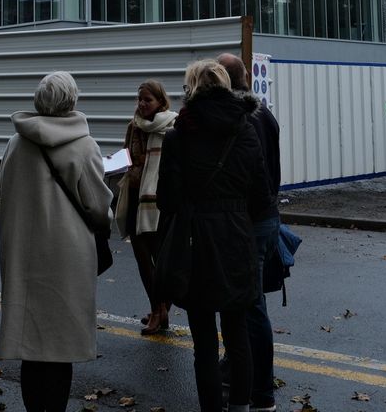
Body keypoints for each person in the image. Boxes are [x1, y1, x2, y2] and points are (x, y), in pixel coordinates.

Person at [157, 60, 271, 412]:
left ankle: (211, 407)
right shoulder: (246, 129)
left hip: (197, 241)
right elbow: (261, 195)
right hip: (237, 236)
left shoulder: (179, 135)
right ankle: (240, 405)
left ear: (191, 89)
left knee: (203, 340)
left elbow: (167, 200)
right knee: (237, 333)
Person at [0, 72, 113, 412]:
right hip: (68, 256)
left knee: (32, 345)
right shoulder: (84, 145)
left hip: (24, 252)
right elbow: (97, 206)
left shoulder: (16, 142)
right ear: (72, 102)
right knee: (60, 347)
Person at [217, 53, 282, 412]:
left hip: (251, 220)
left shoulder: (243, 119)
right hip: (267, 216)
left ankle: (262, 394)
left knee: (252, 305)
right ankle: (237, 366)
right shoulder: (265, 115)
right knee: (249, 301)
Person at [115, 80, 177, 335]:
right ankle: (157, 308)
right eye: (139, 99)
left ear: (160, 102)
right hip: (135, 198)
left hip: (159, 202)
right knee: (143, 259)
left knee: (161, 260)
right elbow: (126, 155)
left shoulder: (171, 127)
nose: (141, 104)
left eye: (147, 100)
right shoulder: (134, 125)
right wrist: (111, 164)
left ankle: (161, 309)